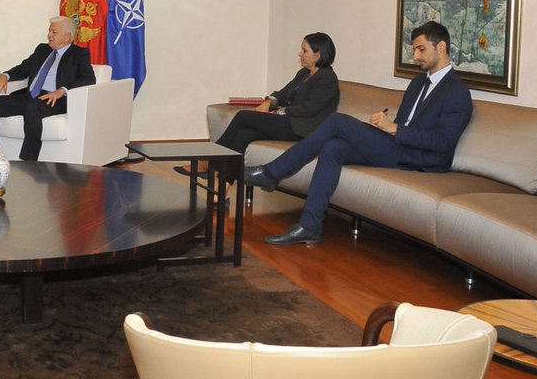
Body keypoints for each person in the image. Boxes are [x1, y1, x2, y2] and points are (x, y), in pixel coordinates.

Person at [245, 21, 472, 246]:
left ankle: (271, 172)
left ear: (441, 47)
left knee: (337, 121)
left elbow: (442, 142)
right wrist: (386, 125)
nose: (415, 56)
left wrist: (395, 129)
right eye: (414, 50)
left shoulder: (457, 92)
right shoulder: (417, 83)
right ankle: (309, 226)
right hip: (398, 146)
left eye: (421, 49)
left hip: (420, 159)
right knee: (333, 147)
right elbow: (405, 123)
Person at [187, 32, 339, 177]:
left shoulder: (327, 78)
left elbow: (309, 109)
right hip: (289, 123)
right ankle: (224, 183)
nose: (300, 54)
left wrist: (280, 112)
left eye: (304, 50)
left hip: (303, 129)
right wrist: (269, 102)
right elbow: (283, 93)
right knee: (244, 135)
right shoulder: (304, 73)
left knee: (244, 116)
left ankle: (210, 159)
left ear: (318, 55)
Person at [0, 16, 97, 161]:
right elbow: (23, 68)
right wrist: (5, 75)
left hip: (53, 100)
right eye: (49, 31)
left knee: (33, 107)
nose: (49, 35)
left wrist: (62, 90)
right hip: (30, 96)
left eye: (54, 32)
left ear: (67, 37)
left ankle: (29, 161)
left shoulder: (79, 54)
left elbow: (89, 78)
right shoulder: (42, 49)